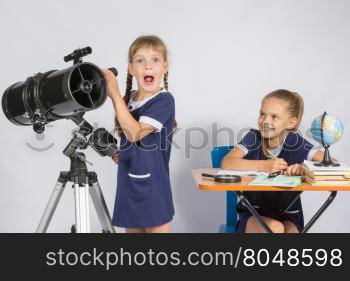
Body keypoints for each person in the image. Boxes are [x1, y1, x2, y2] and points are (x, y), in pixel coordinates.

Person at [221, 89, 326, 233]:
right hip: (253, 215)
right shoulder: (253, 138)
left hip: (289, 214)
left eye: (274, 116)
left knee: (289, 233)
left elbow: (329, 162)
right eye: (262, 114)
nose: (265, 121)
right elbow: (227, 162)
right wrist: (264, 166)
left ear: (291, 122)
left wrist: (303, 168)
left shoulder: (296, 142)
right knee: (274, 229)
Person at [103, 35, 176, 233]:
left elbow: (135, 133)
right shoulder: (129, 100)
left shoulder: (164, 100)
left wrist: (115, 95)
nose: (148, 66)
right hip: (128, 184)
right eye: (140, 60)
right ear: (131, 68)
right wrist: (123, 153)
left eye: (155, 60)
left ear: (165, 67)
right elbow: (128, 137)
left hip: (153, 188)